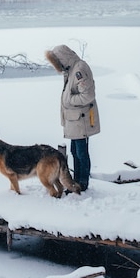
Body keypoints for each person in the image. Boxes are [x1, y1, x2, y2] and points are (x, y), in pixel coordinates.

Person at [45, 44, 100, 191]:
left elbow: (88, 95)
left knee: (81, 153)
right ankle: (77, 181)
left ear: (63, 58)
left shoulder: (79, 70)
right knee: (75, 152)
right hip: (74, 120)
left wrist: (69, 101)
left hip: (81, 120)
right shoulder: (70, 70)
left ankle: (83, 183)